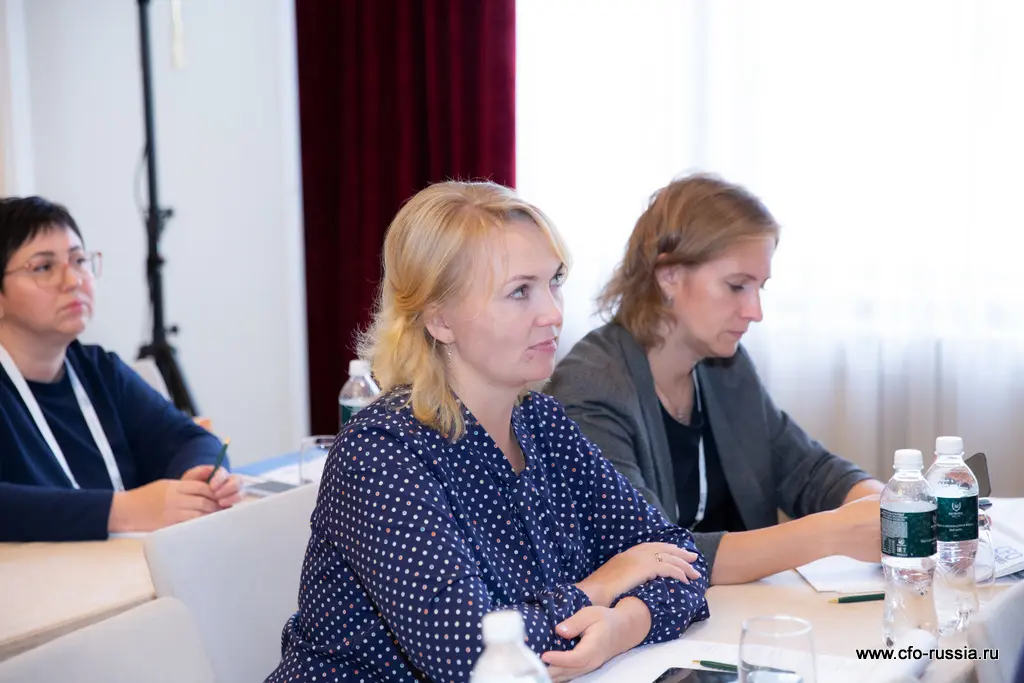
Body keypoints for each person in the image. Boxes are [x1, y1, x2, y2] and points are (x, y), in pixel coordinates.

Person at [266, 181, 709, 683]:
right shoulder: (381, 452)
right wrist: (603, 587)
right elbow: (470, 655)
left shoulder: (542, 422)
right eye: (520, 292)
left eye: (554, 282)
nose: (553, 313)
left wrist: (624, 624)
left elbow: (679, 557)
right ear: (440, 320)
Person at [546, 173, 884, 586]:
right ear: (668, 276)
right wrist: (832, 532)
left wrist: (888, 503)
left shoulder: (726, 366)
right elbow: (649, 552)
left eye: (759, 288)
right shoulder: (590, 385)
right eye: (737, 286)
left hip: (736, 608)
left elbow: (807, 470)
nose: (755, 311)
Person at [0, 196, 241, 542]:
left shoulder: (98, 369)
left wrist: (200, 479)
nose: (73, 280)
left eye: (79, 260)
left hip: (121, 566)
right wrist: (123, 510)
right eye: (43, 267)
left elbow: (190, 439)